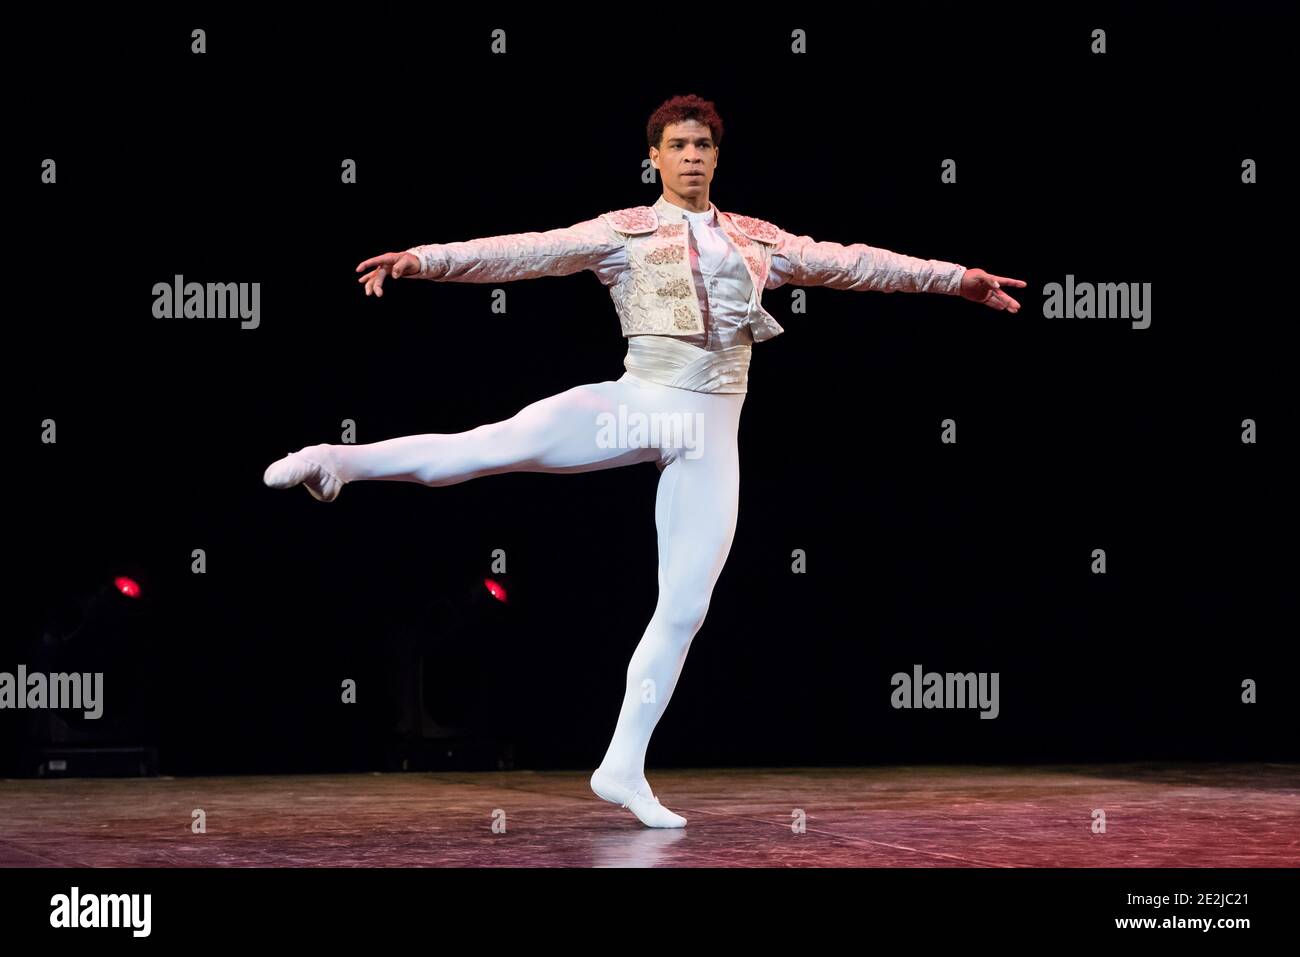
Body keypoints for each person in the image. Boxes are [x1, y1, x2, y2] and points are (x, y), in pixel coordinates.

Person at [264, 94, 1025, 827]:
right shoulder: (623, 229)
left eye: (703, 146)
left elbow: (856, 263)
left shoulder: (759, 239)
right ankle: (337, 460)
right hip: (638, 401)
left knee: (686, 607)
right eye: (678, 146)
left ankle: (622, 766)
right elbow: (530, 251)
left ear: (717, 158)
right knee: (483, 448)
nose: (691, 156)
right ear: (653, 157)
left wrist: (957, 278)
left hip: (711, 429)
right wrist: (425, 260)